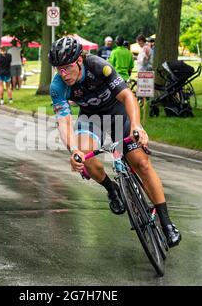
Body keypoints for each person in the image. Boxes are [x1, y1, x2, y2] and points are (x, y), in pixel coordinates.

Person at [48, 37, 181, 247]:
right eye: (58, 69)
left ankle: (167, 224)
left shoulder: (99, 67)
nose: (63, 74)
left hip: (117, 113)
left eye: (67, 68)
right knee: (87, 160)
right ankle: (112, 189)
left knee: (141, 163)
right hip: (91, 119)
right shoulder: (57, 86)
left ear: (79, 61)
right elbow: (64, 121)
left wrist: (136, 125)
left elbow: (128, 96)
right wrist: (74, 150)